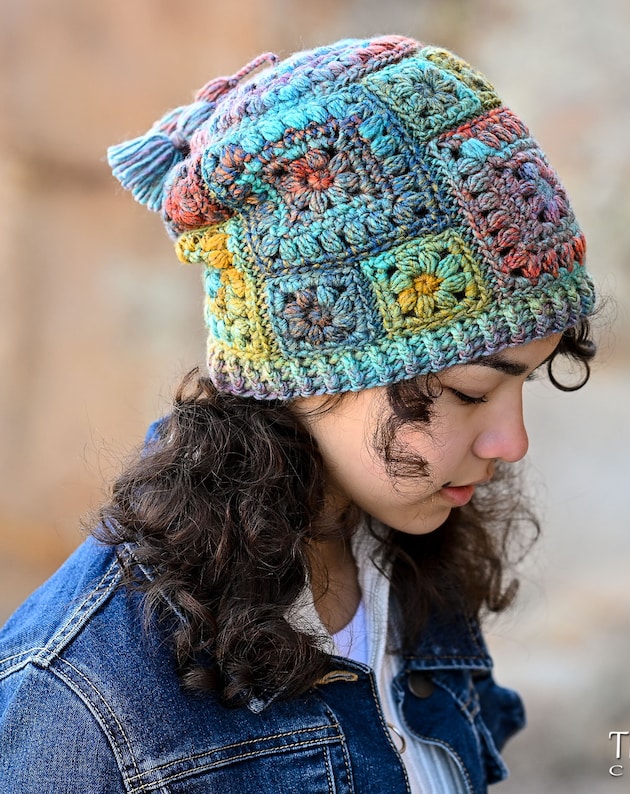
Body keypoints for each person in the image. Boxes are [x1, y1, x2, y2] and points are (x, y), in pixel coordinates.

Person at [0, 35, 596, 793]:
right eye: (474, 391)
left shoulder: (399, 563)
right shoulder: (76, 706)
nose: (513, 442)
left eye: (529, 384)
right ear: (311, 363)